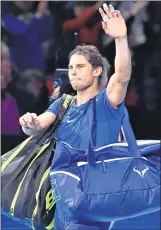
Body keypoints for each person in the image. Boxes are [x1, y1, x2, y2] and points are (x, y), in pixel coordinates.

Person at [19, 3, 131, 229]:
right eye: (71, 68)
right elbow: (38, 124)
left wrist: (121, 39)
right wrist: (28, 123)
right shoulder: (63, 104)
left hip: (92, 203)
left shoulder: (105, 104)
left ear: (97, 70)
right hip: (58, 202)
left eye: (80, 66)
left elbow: (120, 77)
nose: (73, 72)